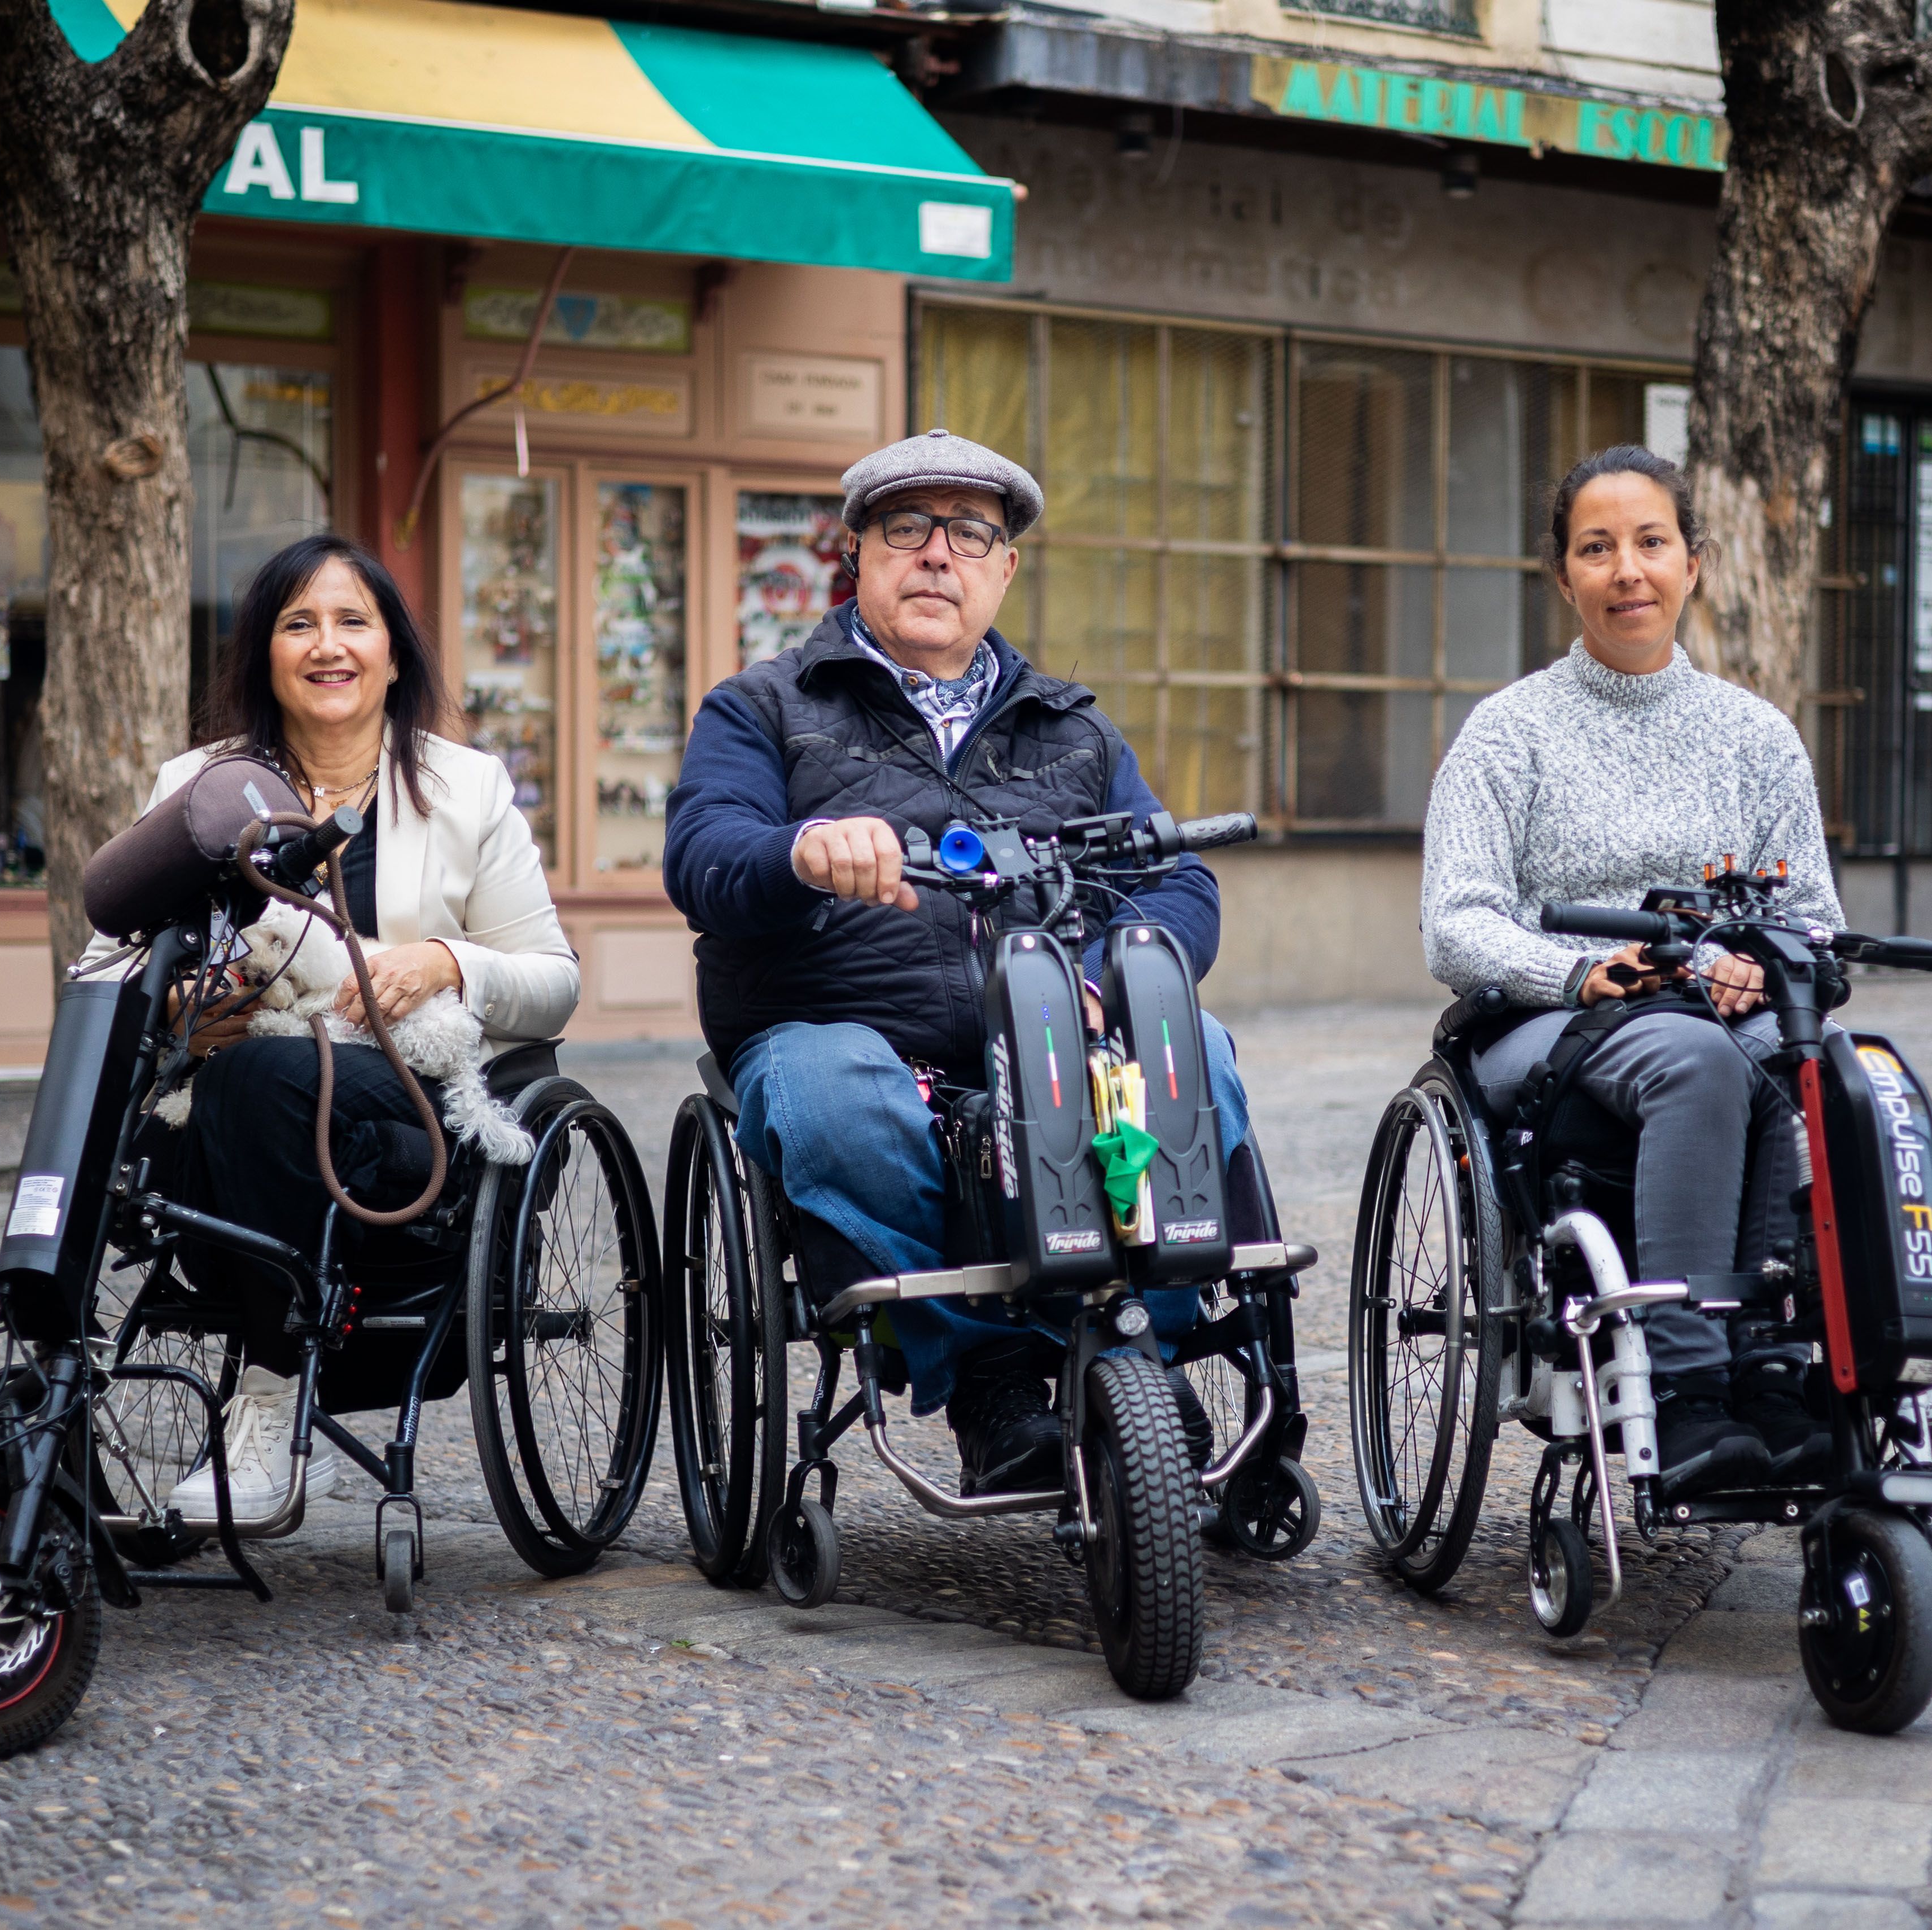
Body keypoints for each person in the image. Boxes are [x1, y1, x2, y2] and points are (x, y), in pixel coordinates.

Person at [663, 429, 1254, 1495]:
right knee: (831, 1092)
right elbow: (705, 856)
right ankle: (983, 1372)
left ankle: (1152, 1349)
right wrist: (801, 852)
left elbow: (1177, 882)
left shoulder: (1072, 729)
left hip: (1049, 1035)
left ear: (1004, 568)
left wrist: (1119, 967)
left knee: (1188, 1046)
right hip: (845, 1029)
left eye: (969, 533)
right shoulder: (762, 707)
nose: (938, 554)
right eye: (906, 528)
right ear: (857, 551)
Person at [80, 533, 579, 1524]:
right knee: (143, 1106)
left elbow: (553, 987)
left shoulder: (466, 787)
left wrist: (447, 962)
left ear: (395, 651)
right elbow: (104, 965)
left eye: (354, 621)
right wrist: (179, 1003)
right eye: (298, 623)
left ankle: (268, 1398)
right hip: (231, 1099)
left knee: (260, 1081)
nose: (328, 645)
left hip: (411, 1098)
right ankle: (51, 1400)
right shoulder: (203, 783)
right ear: (265, 653)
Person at [1421, 444, 1846, 1501]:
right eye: (1597, 549)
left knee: (1827, 1067)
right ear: (1562, 577)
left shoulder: (1756, 738)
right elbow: (1455, 926)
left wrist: (1761, 965)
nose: (1628, 572)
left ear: (1693, 563)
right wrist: (1576, 972)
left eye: (1651, 544)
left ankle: (1781, 1369)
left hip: (1718, 1013)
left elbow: (1814, 923)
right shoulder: (1508, 733)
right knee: (1697, 1063)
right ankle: (1688, 1385)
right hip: (1552, 1022)